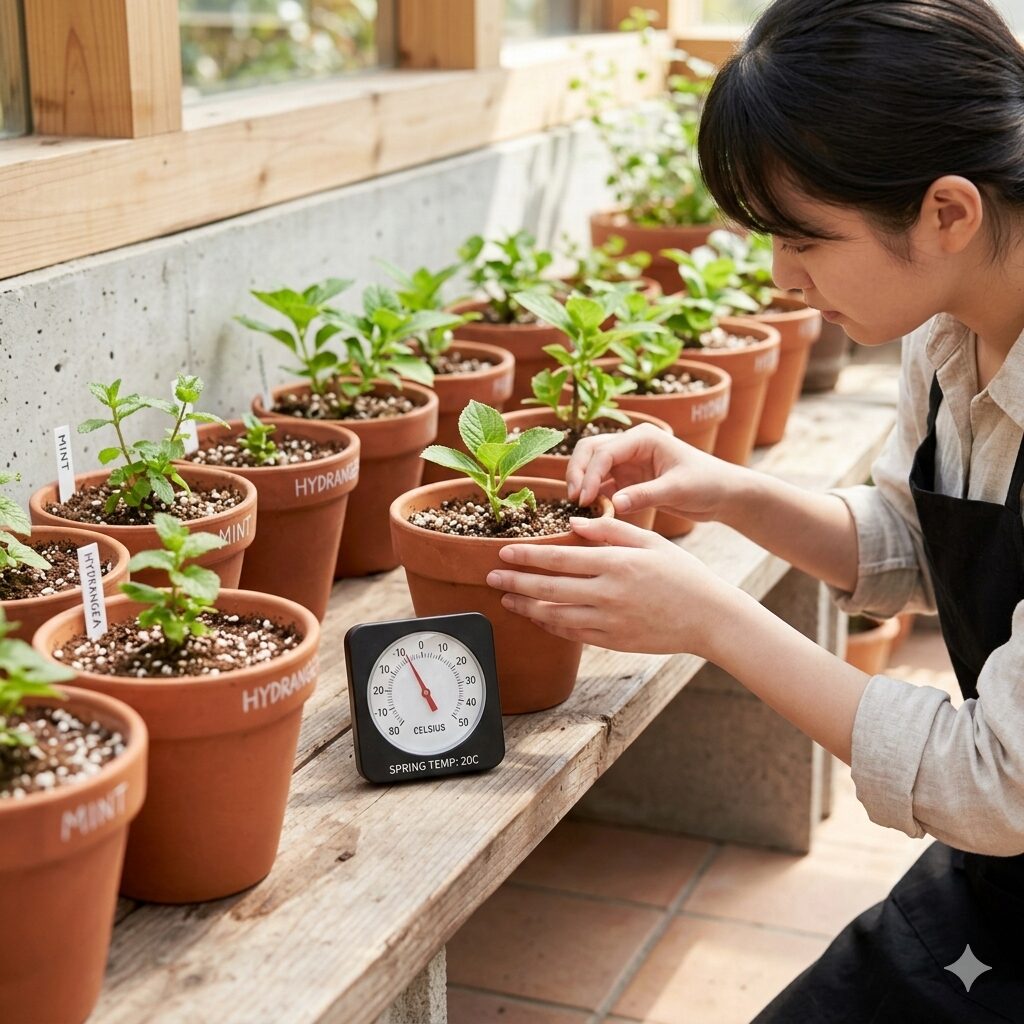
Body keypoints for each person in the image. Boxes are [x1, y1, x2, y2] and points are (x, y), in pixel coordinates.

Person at [484, 0, 1024, 1019]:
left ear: (947, 212)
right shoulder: (947, 329)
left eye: (802, 238)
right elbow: (921, 546)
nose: (781, 277)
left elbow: (994, 780)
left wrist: (708, 619)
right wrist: (725, 488)